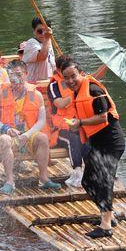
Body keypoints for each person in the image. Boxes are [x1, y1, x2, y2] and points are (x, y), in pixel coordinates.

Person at [62, 59, 125, 239]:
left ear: (81, 73)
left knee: (104, 180)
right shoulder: (77, 92)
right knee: (88, 181)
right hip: (97, 142)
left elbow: (103, 118)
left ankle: (105, 226)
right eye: (66, 78)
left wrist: (80, 123)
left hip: (111, 142)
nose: (70, 80)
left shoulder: (94, 90)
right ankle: (109, 216)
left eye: (73, 76)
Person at [0, 59, 62, 194]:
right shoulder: (1, 94)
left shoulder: (36, 94)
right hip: (9, 133)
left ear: (25, 74)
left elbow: (41, 121)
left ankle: (44, 178)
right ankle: (10, 181)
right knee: (4, 140)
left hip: (29, 134)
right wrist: (6, 129)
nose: (15, 78)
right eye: (11, 74)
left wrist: (27, 135)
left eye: (18, 74)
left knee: (42, 137)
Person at [47, 55, 84, 187]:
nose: (69, 78)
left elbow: (93, 78)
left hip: (78, 124)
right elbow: (60, 104)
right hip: (60, 130)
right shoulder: (53, 85)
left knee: (91, 134)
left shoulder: (79, 81)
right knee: (72, 139)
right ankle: (78, 172)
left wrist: (105, 66)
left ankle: (101, 168)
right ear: (58, 70)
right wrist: (74, 94)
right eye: (64, 72)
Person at [21, 17, 56, 83]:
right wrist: (47, 38)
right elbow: (42, 57)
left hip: (48, 83)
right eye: (40, 31)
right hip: (34, 85)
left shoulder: (48, 41)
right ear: (34, 31)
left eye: (45, 31)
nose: (43, 34)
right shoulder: (31, 43)